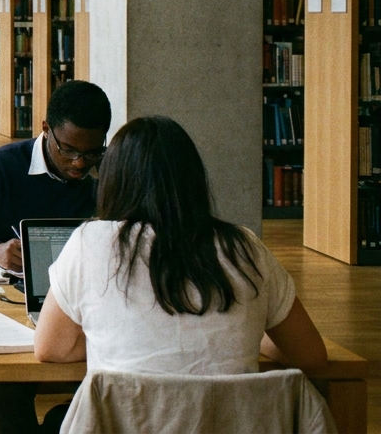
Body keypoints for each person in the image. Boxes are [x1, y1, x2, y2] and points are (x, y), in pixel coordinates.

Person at [34, 115, 327, 381]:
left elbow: (51, 348)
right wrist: (248, 333)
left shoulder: (90, 242)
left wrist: (115, 336)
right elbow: (311, 356)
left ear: (114, 181)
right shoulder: (245, 247)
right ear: (193, 178)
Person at [0, 80, 111, 434]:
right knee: (0, 383)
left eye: (92, 153)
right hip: (12, 303)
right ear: (45, 129)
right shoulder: (0, 167)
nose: (79, 164)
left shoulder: (106, 175)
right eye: (69, 150)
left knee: (108, 373)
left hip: (90, 305)